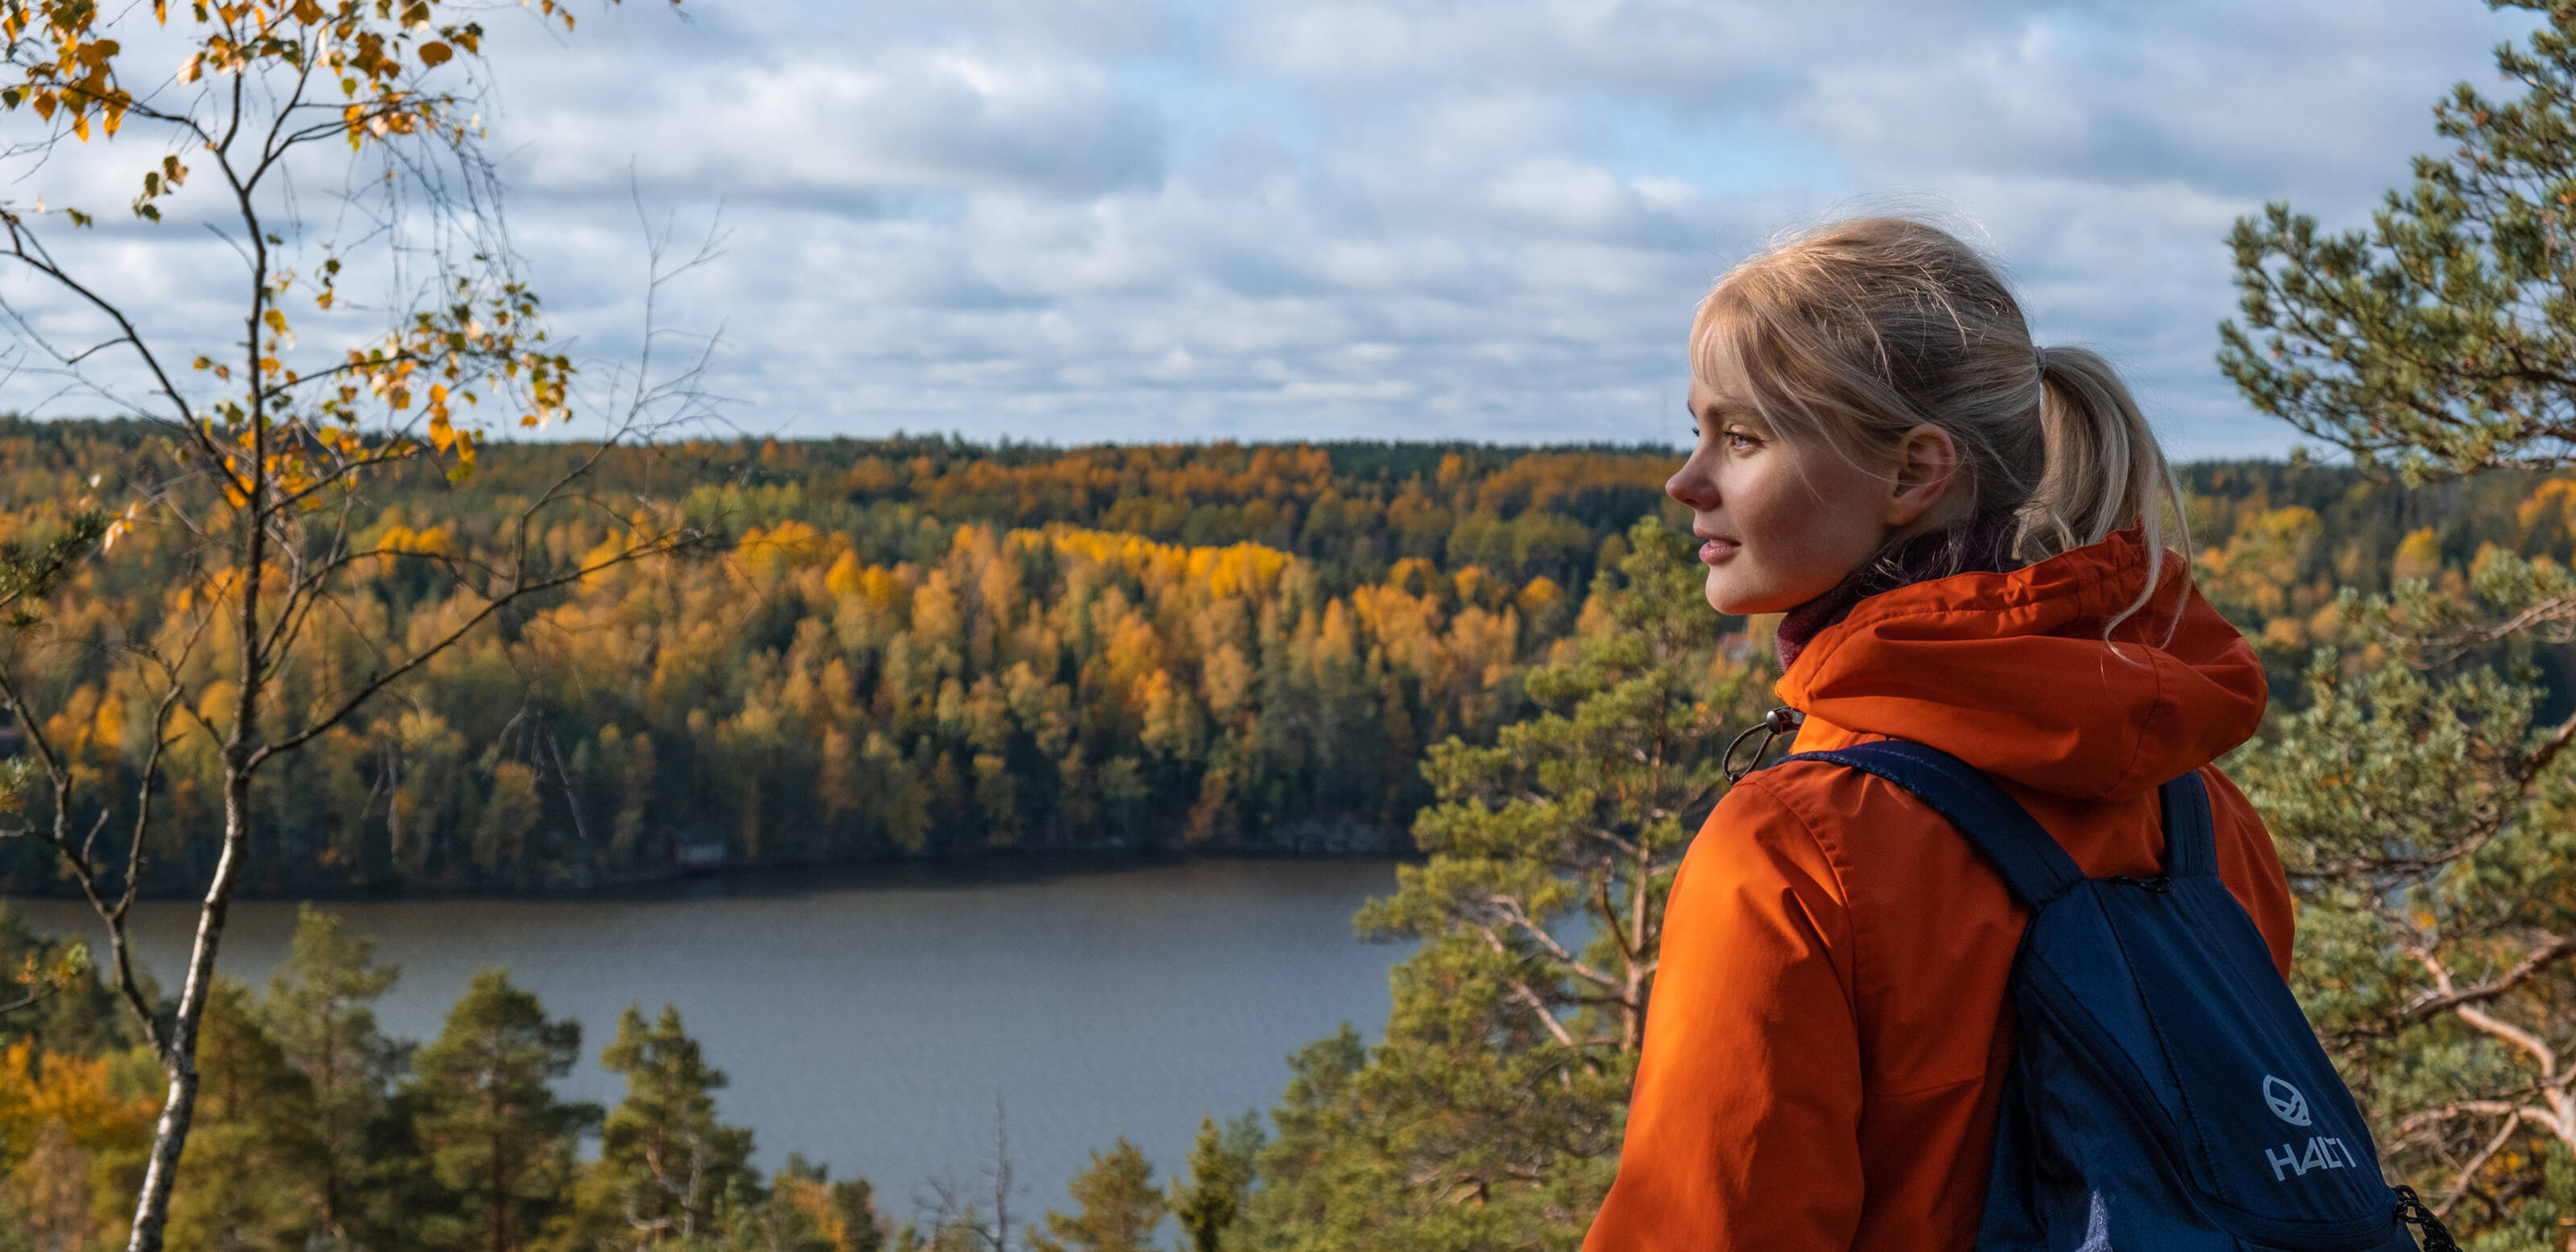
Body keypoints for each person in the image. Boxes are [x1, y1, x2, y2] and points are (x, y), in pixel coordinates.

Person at [1581, 216, 2291, 1252]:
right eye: (1697, 431)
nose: (1687, 481)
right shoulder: (2203, 813)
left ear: (1914, 473)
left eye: (1740, 438)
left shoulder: (1789, 851)